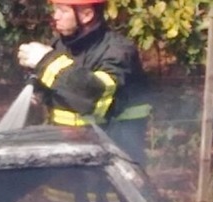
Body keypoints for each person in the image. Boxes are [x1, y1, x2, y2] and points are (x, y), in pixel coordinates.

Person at [17, 0, 151, 165]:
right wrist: (38, 90)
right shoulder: (61, 44)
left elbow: (94, 98)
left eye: (62, 11)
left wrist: (46, 62)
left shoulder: (118, 51)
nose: (55, 16)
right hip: (69, 162)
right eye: (54, 10)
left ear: (87, 15)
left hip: (112, 166)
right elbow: (61, 87)